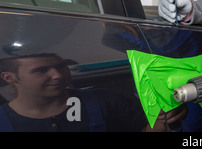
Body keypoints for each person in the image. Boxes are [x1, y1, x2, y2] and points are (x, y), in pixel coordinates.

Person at [0, 53, 186, 131]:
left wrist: (165, 120)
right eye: (41, 70)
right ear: (9, 77)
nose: (57, 75)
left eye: (61, 66)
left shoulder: (104, 101)